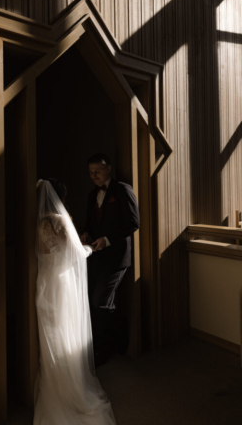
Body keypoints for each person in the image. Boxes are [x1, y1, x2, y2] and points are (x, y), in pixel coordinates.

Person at [34, 178, 116, 425]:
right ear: (60, 198)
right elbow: (75, 254)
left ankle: (54, 382)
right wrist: (90, 248)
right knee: (66, 330)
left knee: (52, 334)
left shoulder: (39, 221)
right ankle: (71, 387)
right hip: (62, 282)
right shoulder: (59, 220)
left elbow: (52, 251)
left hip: (45, 282)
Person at [80, 153, 140, 366]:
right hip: (95, 257)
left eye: (97, 170)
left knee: (99, 302)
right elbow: (89, 223)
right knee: (96, 302)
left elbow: (134, 222)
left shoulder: (122, 190)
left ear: (108, 169)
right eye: (91, 172)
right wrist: (86, 234)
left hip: (116, 258)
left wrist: (107, 239)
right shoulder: (91, 195)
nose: (94, 175)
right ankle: (106, 344)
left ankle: (115, 334)